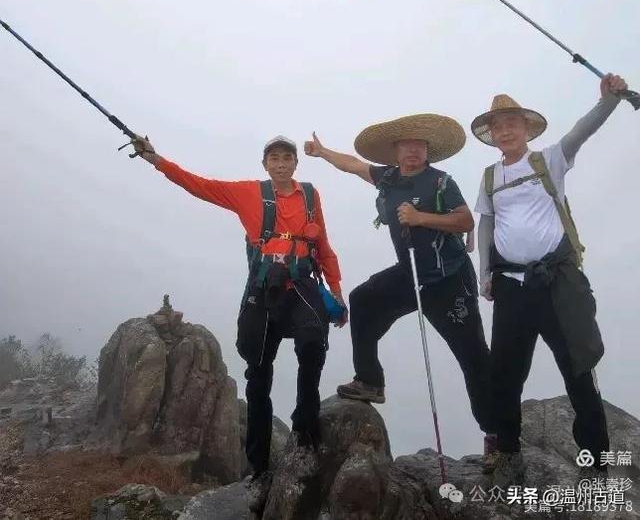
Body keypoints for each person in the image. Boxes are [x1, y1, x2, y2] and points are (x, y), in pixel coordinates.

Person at [131, 132, 347, 505]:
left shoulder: (310, 196)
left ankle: (305, 417)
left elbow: (323, 246)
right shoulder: (248, 193)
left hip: (300, 286)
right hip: (263, 292)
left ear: (295, 163)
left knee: (314, 341)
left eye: (287, 158)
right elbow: (199, 185)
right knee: (258, 372)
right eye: (274, 159)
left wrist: (337, 292)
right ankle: (259, 467)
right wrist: (155, 159)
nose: (280, 164)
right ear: (265, 164)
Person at [305, 113, 497, 459]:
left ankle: (496, 432)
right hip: (410, 274)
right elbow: (352, 165)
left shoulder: (440, 182)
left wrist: (421, 218)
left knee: (473, 356)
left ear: (428, 151)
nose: (413, 150)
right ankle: (370, 381)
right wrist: (322, 152)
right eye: (406, 145)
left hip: (449, 279)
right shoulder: (387, 178)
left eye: (419, 145)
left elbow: (465, 219)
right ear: (395, 152)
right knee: (363, 300)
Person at [473, 73, 628, 487]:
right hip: (511, 287)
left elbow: (582, 131)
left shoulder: (549, 160)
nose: (505, 130)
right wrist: (485, 273)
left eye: (513, 123)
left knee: (577, 368)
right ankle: (508, 451)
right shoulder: (490, 178)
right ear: (491, 134)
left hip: (557, 282)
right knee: (505, 372)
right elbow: (486, 225)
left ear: (526, 129)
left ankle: (595, 464)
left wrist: (609, 101)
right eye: (498, 125)